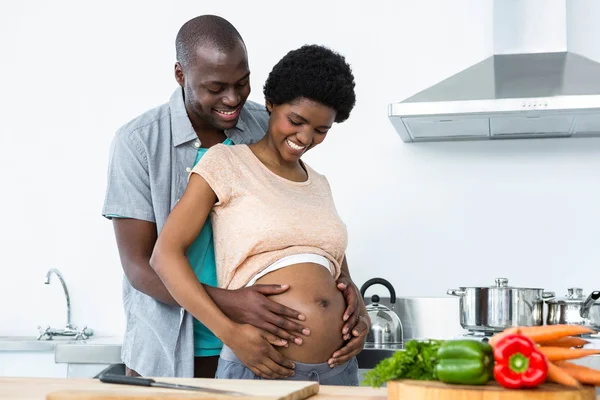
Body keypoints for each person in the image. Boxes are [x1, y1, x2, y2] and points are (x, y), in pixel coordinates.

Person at [102, 15, 368, 379]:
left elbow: (306, 226)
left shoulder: (270, 123)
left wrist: (348, 294)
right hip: (179, 343)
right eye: (216, 87)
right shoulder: (139, 142)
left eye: (242, 84)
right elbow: (141, 266)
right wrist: (235, 308)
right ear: (181, 75)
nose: (233, 98)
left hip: (281, 348)